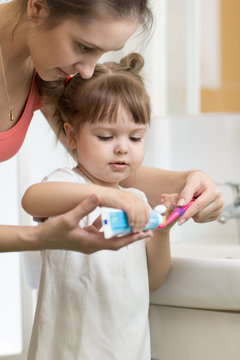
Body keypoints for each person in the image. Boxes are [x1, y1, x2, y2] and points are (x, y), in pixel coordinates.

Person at [0, 0, 224, 254]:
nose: (87, 71)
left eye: (102, 53)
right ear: (37, 7)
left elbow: (105, 170)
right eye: (83, 46)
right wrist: (40, 238)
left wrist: (188, 185)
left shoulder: (42, 71)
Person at [22, 52, 179, 359]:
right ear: (72, 135)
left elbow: (152, 281)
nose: (122, 147)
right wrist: (108, 196)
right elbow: (32, 199)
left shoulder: (137, 202)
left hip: (126, 347)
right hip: (69, 348)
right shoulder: (69, 183)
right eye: (106, 136)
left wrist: (162, 231)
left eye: (135, 137)